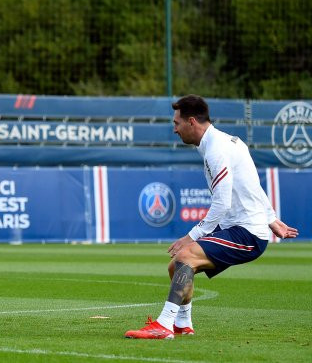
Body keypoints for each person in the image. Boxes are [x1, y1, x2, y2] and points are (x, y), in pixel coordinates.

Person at [125, 94, 298, 339]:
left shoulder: (217, 149)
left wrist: (191, 236)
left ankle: (163, 325)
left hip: (247, 232)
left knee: (185, 255)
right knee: (177, 266)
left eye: (176, 123)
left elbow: (222, 203)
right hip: (245, 226)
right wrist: (271, 218)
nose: (174, 129)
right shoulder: (225, 142)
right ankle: (183, 324)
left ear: (192, 122)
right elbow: (251, 183)